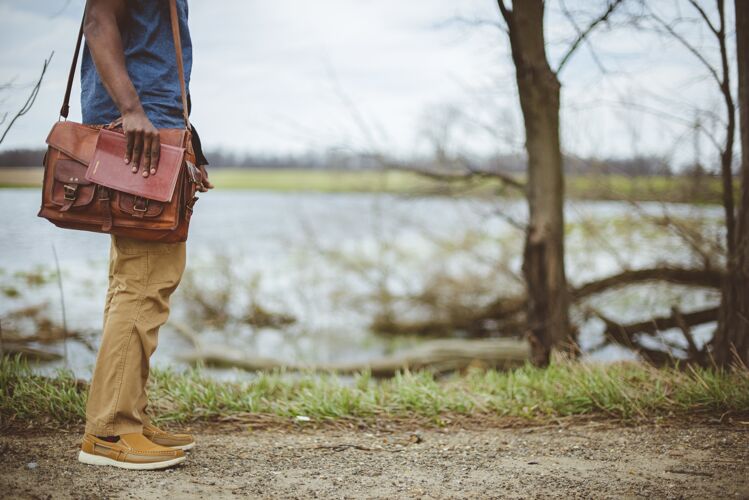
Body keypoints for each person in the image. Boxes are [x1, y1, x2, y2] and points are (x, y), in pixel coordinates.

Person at [76, 0, 212, 470]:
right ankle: (112, 429)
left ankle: (127, 413)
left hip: (152, 127)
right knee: (147, 276)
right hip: (141, 132)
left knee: (135, 276)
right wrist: (132, 109)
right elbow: (98, 18)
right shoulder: (136, 116)